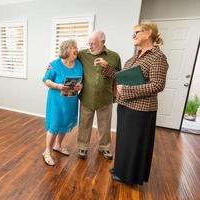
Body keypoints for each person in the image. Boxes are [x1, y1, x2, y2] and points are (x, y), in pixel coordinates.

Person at [102, 21, 169, 185]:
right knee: (124, 141)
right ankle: (121, 169)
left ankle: (130, 176)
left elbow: (157, 85)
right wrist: (107, 67)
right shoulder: (135, 56)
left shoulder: (158, 57)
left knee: (134, 144)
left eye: (136, 33)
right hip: (125, 106)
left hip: (141, 110)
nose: (134, 36)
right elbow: (123, 77)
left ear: (148, 33)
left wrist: (129, 91)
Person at [77, 31, 122, 160]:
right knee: (84, 124)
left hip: (105, 97)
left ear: (103, 42)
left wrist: (107, 66)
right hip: (86, 96)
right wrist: (52, 65)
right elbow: (67, 58)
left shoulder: (114, 56)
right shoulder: (82, 54)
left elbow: (119, 76)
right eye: (89, 43)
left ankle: (105, 147)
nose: (90, 46)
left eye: (93, 44)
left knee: (105, 126)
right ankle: (82, 147)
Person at [42, 39, 83, 166]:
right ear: (66, 49)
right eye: (73, 47)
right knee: (55, 124)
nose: (76, 49)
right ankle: (47, 152)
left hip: (71, 100)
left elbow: (81, 81)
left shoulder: (78, 64)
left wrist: (79, 87)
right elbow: (45, 80)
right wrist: (59, 86)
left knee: (65, 123)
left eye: (76, 47)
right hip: (56, 100)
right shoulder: (55, 64)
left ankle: (58, 146)